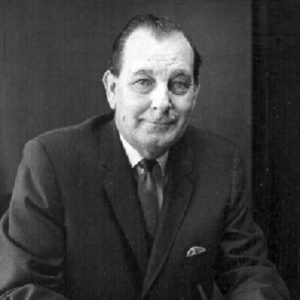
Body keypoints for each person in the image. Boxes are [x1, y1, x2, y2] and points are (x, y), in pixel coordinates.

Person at [0, 14, 289, 300]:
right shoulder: (50, 161)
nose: (162, 103)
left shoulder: (221, 163)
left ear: (195, 94)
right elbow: (22, 289)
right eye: (143, 82)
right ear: (112, 89)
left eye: (178, 84)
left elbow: (250, 272)